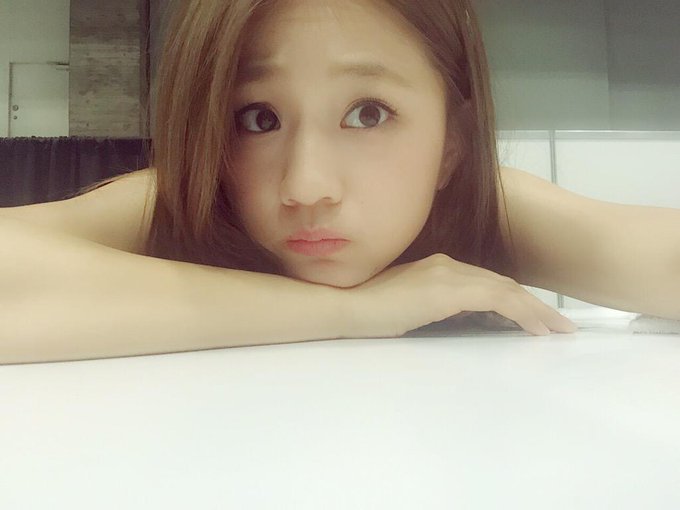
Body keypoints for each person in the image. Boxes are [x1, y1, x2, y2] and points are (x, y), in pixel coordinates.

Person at [1, 0, 678, 364]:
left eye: (368, 114)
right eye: (258, 119)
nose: (307, 186)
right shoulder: (182, 203)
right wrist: (350, 313)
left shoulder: (480, 205)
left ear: (452, 143)